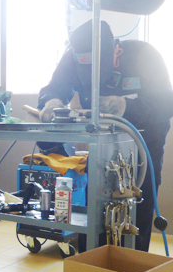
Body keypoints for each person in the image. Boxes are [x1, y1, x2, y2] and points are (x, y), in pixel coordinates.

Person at [38, 20, 173, 252]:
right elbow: (53, 88)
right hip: (102, 146)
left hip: (144, 145)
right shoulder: (73, 56)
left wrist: (126, 106)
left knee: (137, 210)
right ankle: (92, 262)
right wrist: (51, 102)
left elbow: (166, 104)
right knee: (96, 211)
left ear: (114, 53)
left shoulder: (143, 55)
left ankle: (132, 264)